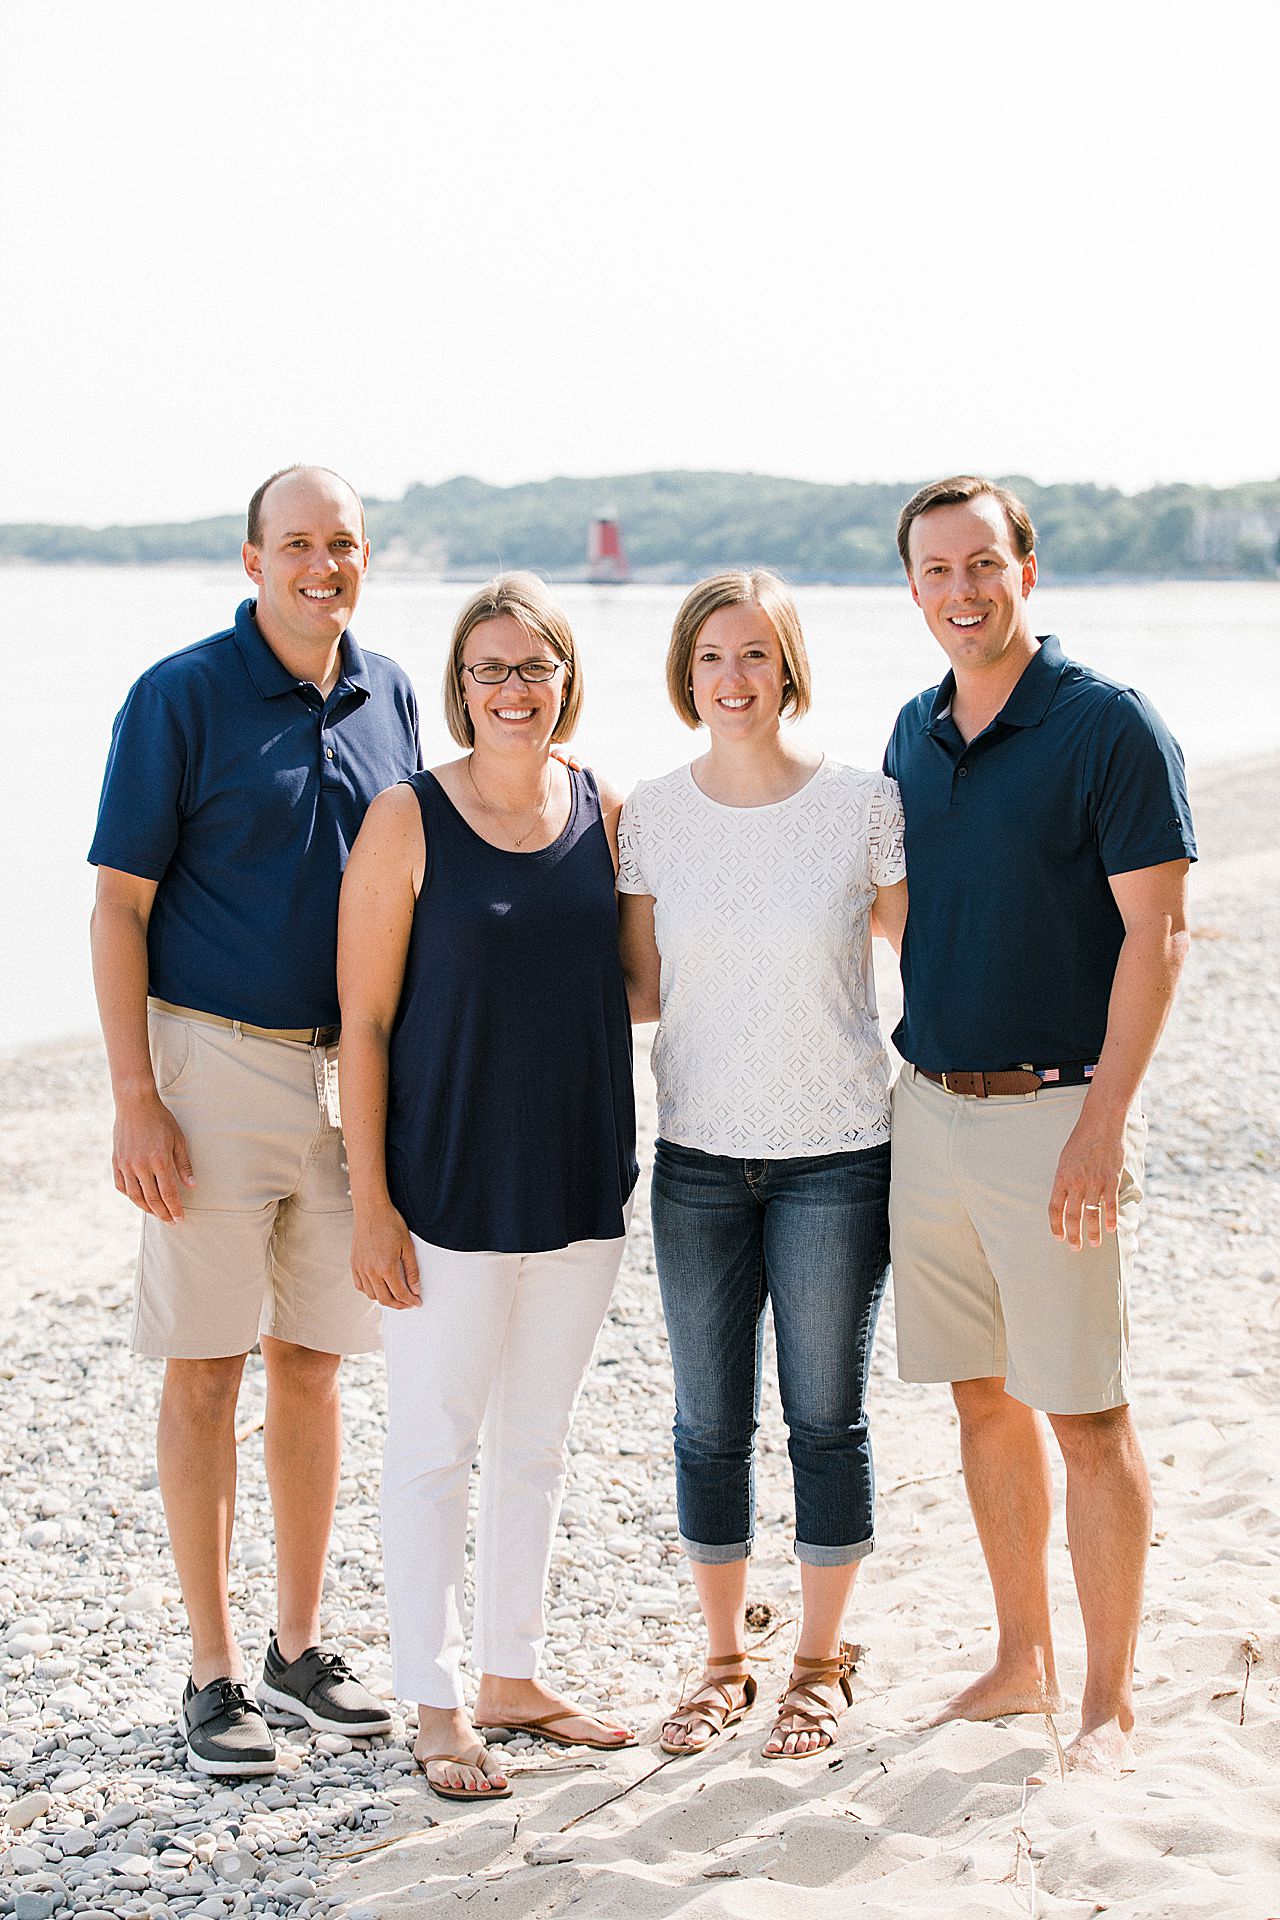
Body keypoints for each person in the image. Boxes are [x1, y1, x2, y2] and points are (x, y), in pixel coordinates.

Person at [88, 466, 420, 1777]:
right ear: (252, 560)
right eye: (297, 545)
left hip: (351, 1080)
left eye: (341, 544)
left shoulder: (390, 691)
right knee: (208, 1366)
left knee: (315, 1362)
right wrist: (135, 1098)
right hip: (211, 1069)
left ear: (362, 557)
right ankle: (213, 1669)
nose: (320, 566)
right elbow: (117, 905)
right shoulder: (178, 696)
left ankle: (297, 1649)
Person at [885, 475, 1195, 1774]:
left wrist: (1101, 1121)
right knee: (980, 1400)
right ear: (911, 588)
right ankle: (1021, 1660)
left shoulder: (1108, 725)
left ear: (1027, 567)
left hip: (1056, 1111)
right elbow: (915, 905)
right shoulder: (911, 728)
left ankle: (1110, 1699)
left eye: (981, 566)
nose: (961, 593)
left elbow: (1157, 932)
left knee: (1085, 1411)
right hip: (931, 1111)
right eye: (935, 573)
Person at [336, 572, 638, 1802]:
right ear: (459, 689)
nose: (511, 690)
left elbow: (647, 982)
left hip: (576, 1172)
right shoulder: (406, 819)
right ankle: (435, 1697)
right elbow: (361, 1023)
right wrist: (370, 1201)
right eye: (486, 670)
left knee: (538, 1445)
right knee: (433, 1446)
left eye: (533, 667)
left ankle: (513, 1673)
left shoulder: (608, 810)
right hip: (444, 1181)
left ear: (567, 677)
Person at [617, 571, 907, 1760]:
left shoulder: (858, 806)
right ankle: (723, 1662)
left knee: (825, 1419)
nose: (730, 680)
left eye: (752, 656)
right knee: (705, 1424)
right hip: (695, 1158)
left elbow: (937, 956)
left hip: (836, 1156)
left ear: (787, 665)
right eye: (707, 660)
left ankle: (818, 1664)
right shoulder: (649, 813)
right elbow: (635, 991)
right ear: (683, 677)